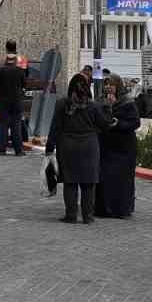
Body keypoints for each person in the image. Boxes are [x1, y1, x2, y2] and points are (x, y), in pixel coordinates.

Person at [50, 83, 114, 224]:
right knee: (89, 183)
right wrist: (109, 107)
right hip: (89, 147)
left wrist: (49, 148)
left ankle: (71, 215)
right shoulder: (94, 106)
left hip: (67, 146)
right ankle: (88, 216)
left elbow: (55, 126)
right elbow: (106, 124)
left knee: (70, 182)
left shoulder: (62, 104)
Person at [94, 74, 139, 219]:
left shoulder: (127, 102)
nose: (108, 87)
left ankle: (121, 209)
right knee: (104, 177)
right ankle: (104, 209)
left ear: (118, 86)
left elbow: (135, 123)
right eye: (106, 84)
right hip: (106, 146)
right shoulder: (101, 101)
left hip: (123, 148)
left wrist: (118, 123)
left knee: (122, 180)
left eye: (111, 85)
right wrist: (107, 107)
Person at [0, 45, 28, 156]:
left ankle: (2, 149)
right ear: (14, 60)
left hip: (4, 102)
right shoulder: (20, 71)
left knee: (4, 126)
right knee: (16, 126)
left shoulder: (0, 71)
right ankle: (19, 150)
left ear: (6, 60)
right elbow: (25, 85)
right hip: (17, 102)